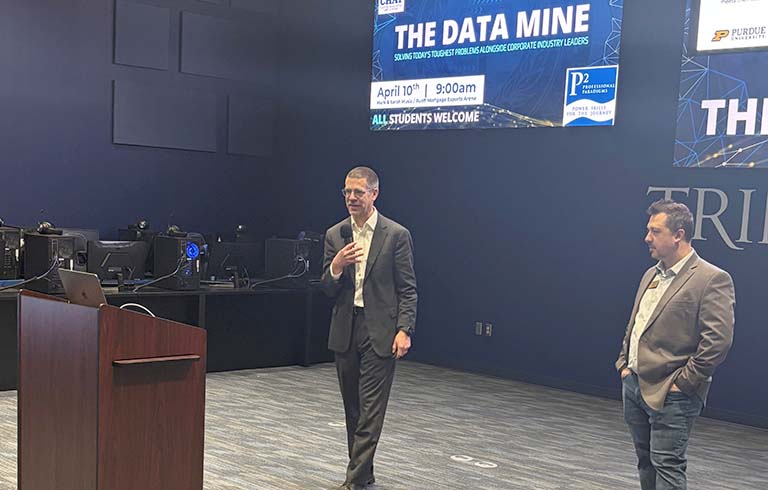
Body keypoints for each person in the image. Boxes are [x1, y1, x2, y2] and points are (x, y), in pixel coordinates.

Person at [616, 199, 735, 490]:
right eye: (648, 230)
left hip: (673, 393)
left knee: (667, 465)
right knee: (645, 460)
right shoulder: (651, 274)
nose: (647, 238)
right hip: (634, 384)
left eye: (655, 231)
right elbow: (637, 323)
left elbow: (718, 340)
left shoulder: (711, 278)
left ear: (678, 235)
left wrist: (684, 382)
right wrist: (624, 364)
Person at [320, 166, 417, 490]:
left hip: (381, 331)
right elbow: (326, 288)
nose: (351, 198)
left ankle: (353, 481)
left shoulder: (396, 234)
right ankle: (365, 476)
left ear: (374, 194)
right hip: (346, 329)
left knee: (371, 411)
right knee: (353, 409)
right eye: (346, 192)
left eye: (358, 192)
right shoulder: (336, 235)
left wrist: (405, 329)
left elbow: (407, 288)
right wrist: (336, 266)